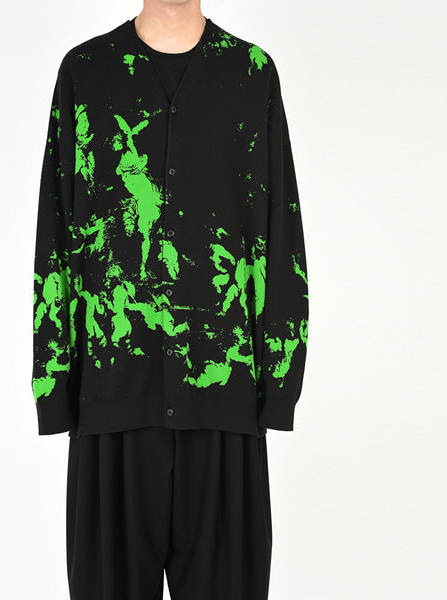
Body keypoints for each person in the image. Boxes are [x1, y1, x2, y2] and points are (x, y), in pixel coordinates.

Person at [32, 1, 309, 598]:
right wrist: (53, 386)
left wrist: (280, 384)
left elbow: (281, 233)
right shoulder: (86, 72)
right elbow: (55, 230)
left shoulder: (251, 74)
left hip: (224, 398)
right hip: (110, 399)